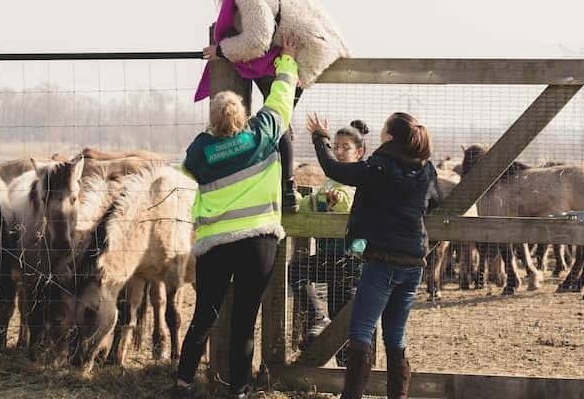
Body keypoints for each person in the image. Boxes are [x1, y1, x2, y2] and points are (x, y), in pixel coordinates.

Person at [171, 35, 298, 399]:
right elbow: (281, 99)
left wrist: (216, 144)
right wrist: (286, 60)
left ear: (212, 121)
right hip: (259, 242)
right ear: (244, 116)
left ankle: (182, 384)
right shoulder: (261, 134)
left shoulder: (201, 149)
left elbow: (187, 168)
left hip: (215, 245)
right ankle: (239, 392)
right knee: (244, 321)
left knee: (204, 316)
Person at [194, 0, 350, 212]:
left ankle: (285, 189)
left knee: (277, 121)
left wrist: (221, 49)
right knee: (279, 121)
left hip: (302, 52)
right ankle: (282, 188)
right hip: (309, 41)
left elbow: (257, 40)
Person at [307, 112, 436, 399]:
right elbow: (435, 201)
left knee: (361, 331)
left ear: (389, 137)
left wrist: (320, 138)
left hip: (383, 262)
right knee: (395, 336)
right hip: (414, 263)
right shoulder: (426, 170)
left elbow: (334, 169)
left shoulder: (379, 167)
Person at [289, 120, 368, 361]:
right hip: (329, 257)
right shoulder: (331, 182)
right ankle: (317, 317)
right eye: (336, 147)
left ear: (359, 152)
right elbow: (308, 205)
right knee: (296, 272)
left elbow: (348, 200)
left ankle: (350, 375)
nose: (340, 151)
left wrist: (337, 199)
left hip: (351, 260)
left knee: (346, 321)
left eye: (346, 147)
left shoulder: (360, 178)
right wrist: (290, 195)